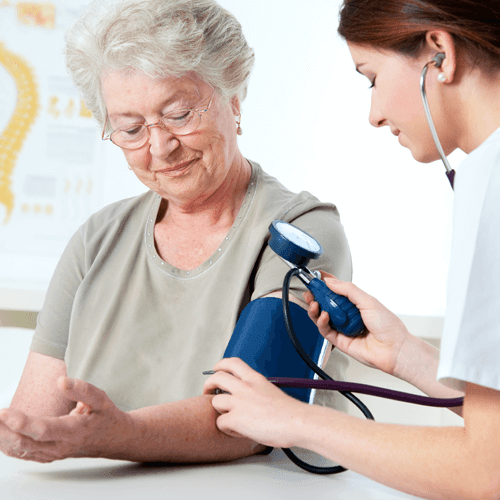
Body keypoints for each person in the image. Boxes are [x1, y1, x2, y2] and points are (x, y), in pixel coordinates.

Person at [0, 0, 353, 464]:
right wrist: (30, 434)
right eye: (131, 129)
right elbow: (33, 427)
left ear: (232, 97)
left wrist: (113, 434)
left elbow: (251, 417)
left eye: (181, 114)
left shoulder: (299, 230)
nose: (161, 148)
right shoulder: (98, 239)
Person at [203, 0, 500, 498]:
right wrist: (406, 354)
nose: (374, 115)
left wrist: (294, 421)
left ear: (439, 54)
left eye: (372, 77)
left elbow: (488, 468)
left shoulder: (490, 184)